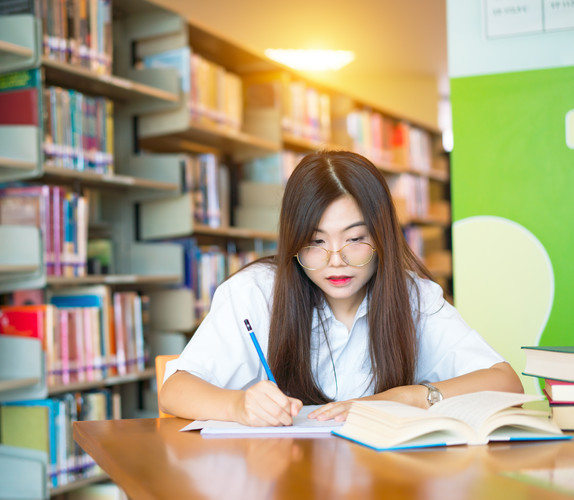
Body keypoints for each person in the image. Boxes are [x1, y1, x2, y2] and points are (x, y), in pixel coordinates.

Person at [159, 150, 523, 426]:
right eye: (316, 242)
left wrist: (406, 398)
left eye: (354, 239)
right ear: (293, 241)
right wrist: (238, 406)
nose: (336, 259)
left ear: (382, 237)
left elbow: (505, 382)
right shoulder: (255, 292)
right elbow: (174, 389)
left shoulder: (414, 297)